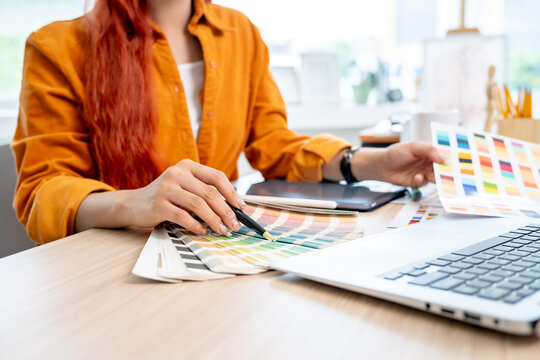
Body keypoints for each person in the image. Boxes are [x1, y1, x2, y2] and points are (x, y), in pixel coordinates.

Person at [12, 0, 443, 244]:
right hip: (109, 263)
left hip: (217, 252)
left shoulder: (241, 34)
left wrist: (370, 163)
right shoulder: (58, 47)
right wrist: (135, 202)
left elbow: (275, 145)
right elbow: (42, 192)